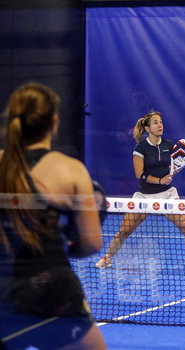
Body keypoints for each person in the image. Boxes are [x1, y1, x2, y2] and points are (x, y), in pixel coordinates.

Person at [0, 83, 107, 349]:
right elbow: (92, 243)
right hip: (52, 291)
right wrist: (65, 245)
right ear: (53, 123)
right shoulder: (69, 170)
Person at [95, 111, 185, 271]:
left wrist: (170, 173)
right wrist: (160, 179)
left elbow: (172, 166)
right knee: (124, 231)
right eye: (155, 122)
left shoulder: (170, 146)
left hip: (167, 195)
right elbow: (139, 174)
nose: (160, 125)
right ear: (147, 128)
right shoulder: (140, 148)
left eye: (161, 122)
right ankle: (107, 258)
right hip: (144, 197)